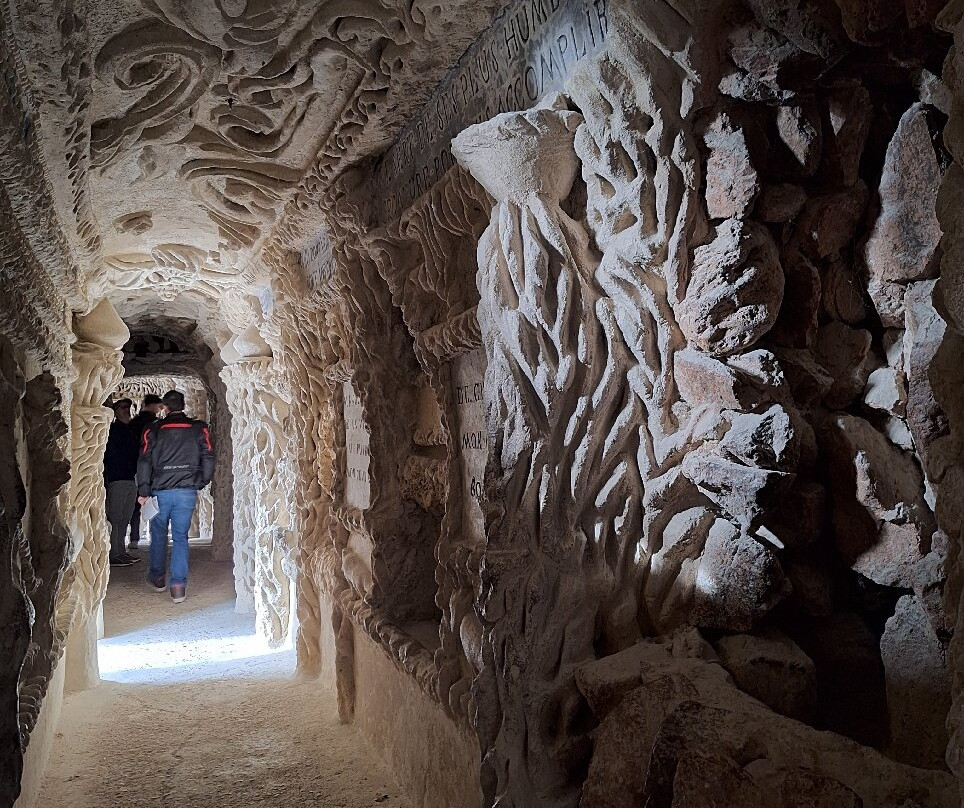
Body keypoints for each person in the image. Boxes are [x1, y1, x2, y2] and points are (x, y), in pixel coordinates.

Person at [137, 389, 214, 603]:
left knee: (158, 535)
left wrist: (143, 491)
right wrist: (202, 481)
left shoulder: (153, 429)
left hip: (159, 491)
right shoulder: (199, 429)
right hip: (186, 491)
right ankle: (178, 586)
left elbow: (144, 460)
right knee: (181, 537)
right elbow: (208, 455)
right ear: (183, 405)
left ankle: (158, 577)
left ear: (165, 407)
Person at [103, 399, 141, 567]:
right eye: (123, 407)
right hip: (117, 479)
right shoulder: (112, 431)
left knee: (125, 517)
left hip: (130, 478)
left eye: (128, 407)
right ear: (115, 411)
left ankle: (121, 550)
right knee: (115, 517)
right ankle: (114, 553)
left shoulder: (129, 431)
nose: (127, 410)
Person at [126, 394, 165, 549]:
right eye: (159, 406)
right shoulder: (155, 424)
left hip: (133, 467)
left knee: (135, 505)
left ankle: (134, 537)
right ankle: (154, 536)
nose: (160, 409)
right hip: (152, 467)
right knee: (155, 502)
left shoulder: (133, 423)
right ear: (152, 406)